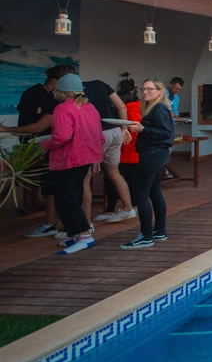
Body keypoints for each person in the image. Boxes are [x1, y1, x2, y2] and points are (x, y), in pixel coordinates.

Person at [1, 64, 75, 238]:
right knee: (54, 182)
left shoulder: (58, 102)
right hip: (66, 148)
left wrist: (5, 129)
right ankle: (72, 226)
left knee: (46, 181)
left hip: (52, 144)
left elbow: (42, 126)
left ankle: (55, 223)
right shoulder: (80, 101)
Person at [39, 73, 103, 254]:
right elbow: (98, 135)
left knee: (67, 198)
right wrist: (96, 158)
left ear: (61, 91)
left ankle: (84, 235)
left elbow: (62, 137)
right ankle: (73, 234)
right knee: (73, 194)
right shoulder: (90, 107)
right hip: (84, 157)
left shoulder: (62, 109)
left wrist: (45, 144)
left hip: (67, 158)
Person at [120, 80, 175, 249]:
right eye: (143, 89)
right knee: (154, 191)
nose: (145, 92)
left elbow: (166, 134)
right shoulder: (155, 108)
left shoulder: (159, 108)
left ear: (160, 91)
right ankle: (159, 230)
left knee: (140, 194)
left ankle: (146, 235)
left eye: (149, 89)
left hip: (153, 155)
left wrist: (142, 129)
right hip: (156, 155)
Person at [83, 77, 136, 225]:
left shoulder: (76, 92)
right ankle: (128, 208)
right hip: (115, 130)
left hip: (97, 133)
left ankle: (86, 223)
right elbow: (121, 106)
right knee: (114, 173)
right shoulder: (101, 84)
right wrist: (124, 128)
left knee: (84, 179)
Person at [112, 84, 142, 220]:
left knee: (124, 178)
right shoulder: (140, 108)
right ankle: (133, 205)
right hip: (135, 152)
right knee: (132, 179)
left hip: (128, 151)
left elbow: (133, 131)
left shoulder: (128, 112)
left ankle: (129, 206)